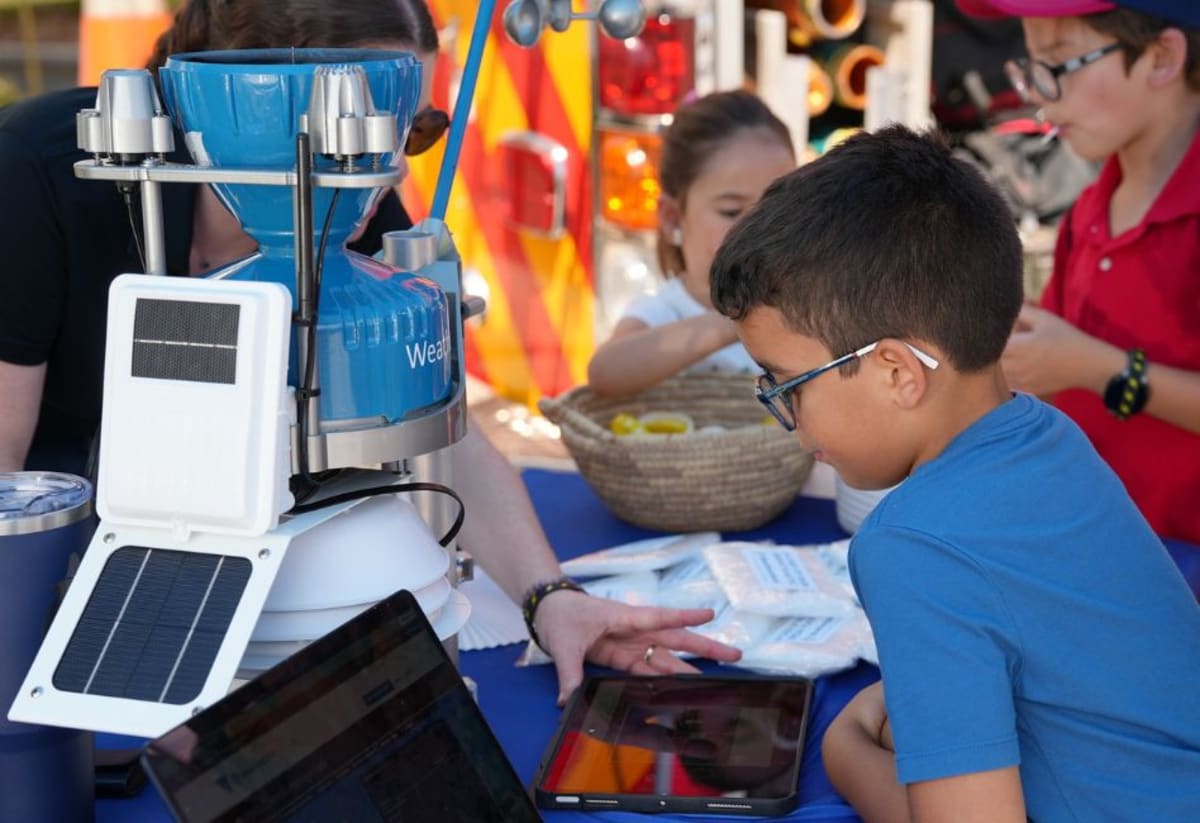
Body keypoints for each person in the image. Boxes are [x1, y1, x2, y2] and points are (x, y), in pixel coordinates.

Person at [0, 0, 739, 705]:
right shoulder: (38, 175)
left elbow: (431, 403)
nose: (393, 174)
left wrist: (551, 600)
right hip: (69, 566)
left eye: (409, 134)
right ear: (252, 107)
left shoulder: (347, 188)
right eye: (364, 133)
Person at [709, 125, 1200, 820]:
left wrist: (844, 748)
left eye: (786, 385)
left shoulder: (910, 546)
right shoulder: (1049, 434)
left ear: (897, 372)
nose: (782, 412)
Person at [959, 0, 1200, 546]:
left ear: (1162, 56)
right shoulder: (1090, 208)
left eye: (1059, 64)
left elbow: (1085, 365)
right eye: (1029, 69)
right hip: (1097, 542)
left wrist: (1100, 369)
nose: (1038, 96)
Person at [586, 90, 795, 396]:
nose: (757, 229)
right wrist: (732, 324)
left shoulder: (798, 303)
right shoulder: (665, 311)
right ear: (673, 218)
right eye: (731, 211)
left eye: (775, 209)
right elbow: (604, 372)